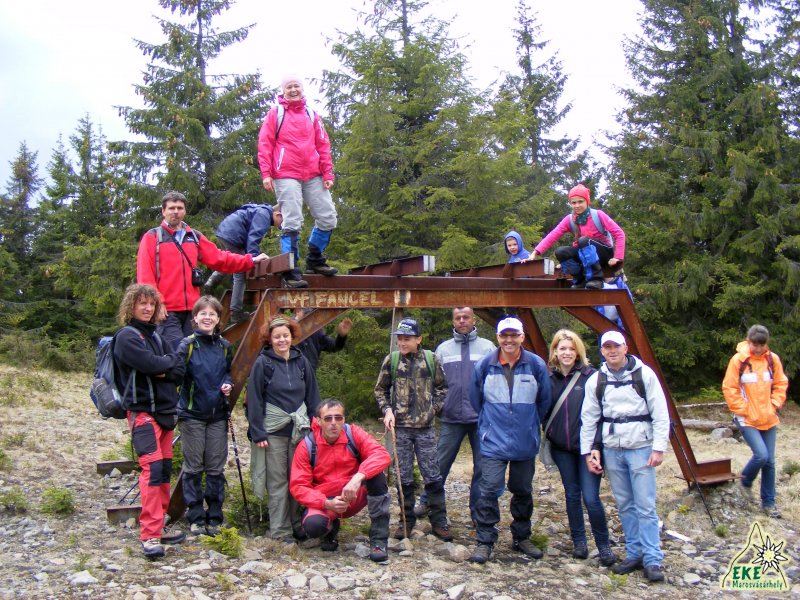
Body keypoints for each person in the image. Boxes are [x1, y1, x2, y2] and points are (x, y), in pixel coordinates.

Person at [580, 330, 669, 583]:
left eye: (616, 346)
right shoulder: (596, 381)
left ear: (625, 347)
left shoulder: (645, 375)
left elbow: (660, 412)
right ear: (601, 351)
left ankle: (653, 559)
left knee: (645, 505)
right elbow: (589, 419)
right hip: (612, 448)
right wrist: (588, 452)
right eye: (607, 347)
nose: (612, 351)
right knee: (625, 504)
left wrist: (658, 447)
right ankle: (634, 553)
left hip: (641, 446)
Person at [136, 191, 269, 350]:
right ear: (163, 211)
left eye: (180, 208)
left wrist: (250, 260)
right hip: (167, 310)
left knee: (195, 353)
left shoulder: (194, 236)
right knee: (175, 353)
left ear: (185, 211)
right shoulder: (153, 237)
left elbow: (218, 258)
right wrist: (157, 303)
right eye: (171, 208)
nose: (176, 212)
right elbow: (145, 275)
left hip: (193, 310)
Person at [468, 317, 552, 564]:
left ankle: (521, 537)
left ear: (522, 337)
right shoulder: (485, 365)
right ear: (497, 337)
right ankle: (485, 540)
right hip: (493, 441)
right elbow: (476, 400)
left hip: (525, 441)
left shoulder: (536, 365)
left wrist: (529, 423)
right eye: (504, 335)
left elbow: (544, 402)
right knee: (488, 490)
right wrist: (490, 424)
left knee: (523, 490)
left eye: (514, 335)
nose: (509, 340)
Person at [113, 284, 185, 559]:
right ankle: (150, 535)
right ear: (130, 306)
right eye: (141, 303)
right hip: (142, 412)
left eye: (151, 304)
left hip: (165, 413)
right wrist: (162, 364)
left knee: (164, 469)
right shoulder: (126, 337)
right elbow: (150, 364)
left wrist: (161, 366)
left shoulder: (156, 335)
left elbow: (176, 369)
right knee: (152, 470)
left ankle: (160, 524)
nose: (147, 308)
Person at [414, 307, 495, 526]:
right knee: (439, 464)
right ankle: (427, 501)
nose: (462, 321)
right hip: (451, 417)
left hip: (480, 418)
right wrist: (434, 408)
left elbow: (495, 381)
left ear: (473, 319)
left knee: (482, 468)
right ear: (453, 321)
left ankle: (478, 513)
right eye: (458, 318)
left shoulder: (488, 347)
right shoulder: (443, 349)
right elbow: (433, 383)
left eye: (465, 317)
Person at [374, 318, 452, 541]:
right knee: (403, 477)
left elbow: (443, 388)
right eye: (399, 338)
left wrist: (433, 409)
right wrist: (387, 410)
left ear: (419, 339)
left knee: (433, 476)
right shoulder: (392, 360)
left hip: (425, 429)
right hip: (401, 430)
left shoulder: (431, 359)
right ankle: (406, 521)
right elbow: (380, 390)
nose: (402, 342)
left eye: (407, 338)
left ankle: (439, 521)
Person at [258, 74, 338, 288]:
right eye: (289, 87)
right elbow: (265, 143)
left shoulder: (312, 114)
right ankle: (290, 269)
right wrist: (266, 173)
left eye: (297, 86)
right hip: (285, 172)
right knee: (292, 220)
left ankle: (315, 258)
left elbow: (323, 144)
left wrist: (327, 173)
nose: (293, 90)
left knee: (328, 216)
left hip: (313, 173)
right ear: (283, 91)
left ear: (302, 89)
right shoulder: (276, 114)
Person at [544, 330, 617, 566]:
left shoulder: (591, 377)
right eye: (562, 348)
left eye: (571, 348)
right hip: (561, 448)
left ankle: (603, 545)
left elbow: (601, 415)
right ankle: (579, 543)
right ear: (555, 351)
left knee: (591, 497)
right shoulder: (548, 378)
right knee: (572, 495)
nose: (567, 353)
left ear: (579, 352)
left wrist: (596, 446)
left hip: (588, 449)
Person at [290, 399, 392, 563]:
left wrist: (359, 476)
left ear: (344, 419)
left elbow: (381, 454)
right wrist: (325, 503)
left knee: (376, 477)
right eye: (328, 418)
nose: (333, 423)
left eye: (338, 418)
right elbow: (299, 486)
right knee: (313, 526)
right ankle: (329, 529)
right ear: (318, 421)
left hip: (354, 494)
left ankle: (378, 542)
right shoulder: (308, 445)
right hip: (327, 500)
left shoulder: (353, 433)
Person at [246, 316, 320, 542]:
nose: (282, 340)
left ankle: (296, 524)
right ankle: (280, 530)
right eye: (277, 336)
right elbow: (255, 399)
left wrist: (316, 424)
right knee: (278, 482)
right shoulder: (263, 363)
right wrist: (257, 432)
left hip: (299, 431)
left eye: (285, 335)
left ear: (292, 336)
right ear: (269, 339)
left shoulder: (301, 361)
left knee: (298, 480)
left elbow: (312, 395)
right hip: (274, 432)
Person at [176, 296, 233, 537]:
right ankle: (196, 516)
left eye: (212, 314)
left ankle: (215, 516)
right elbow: (176, 377)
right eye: (203, 313)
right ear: (195, 318)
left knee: (215, 467)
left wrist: (228, 384)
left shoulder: (225, 347)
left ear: (218, 319)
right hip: (192, 414)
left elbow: (228, 373)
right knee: (194, 466)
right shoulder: (187, 345)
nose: (207, 317)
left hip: (218, 414)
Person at [722, 324, 788, 519]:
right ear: (748, 341)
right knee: (761, 455)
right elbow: (729, 388)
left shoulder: (772, 359)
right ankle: (745, 482)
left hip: (768, 417)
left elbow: (781, 383)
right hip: (746, 419)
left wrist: (774, 404)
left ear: (766, 343)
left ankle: (769, 504)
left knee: (770, 462)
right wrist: (744, 410)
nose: (758, 348)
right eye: (754, 344)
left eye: (761, 345)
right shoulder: (738, 360)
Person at [529, 184, 625, 289]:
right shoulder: (569, 219)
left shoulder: (598, 215)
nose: (577, 206)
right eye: (573, 203)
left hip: (603, 253)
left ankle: (595, 279)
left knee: (583, 241)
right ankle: (580, 280)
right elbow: (552, 235)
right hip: (585, 254)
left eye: (580, 202)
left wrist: (617, 257)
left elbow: (619, 234)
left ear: (587, 202)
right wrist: (535, 253)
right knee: (561, 252)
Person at [204, 204, 286, 321]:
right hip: (233, 235)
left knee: (232, 261)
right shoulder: (264, 216)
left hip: (226, 232)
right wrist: (253, 259)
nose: (279, 226)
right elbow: (254, 237)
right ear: (278, 214)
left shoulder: (261, 211)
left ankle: (213, 279)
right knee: (240, 272)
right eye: (281, 222)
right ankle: (236, 312)